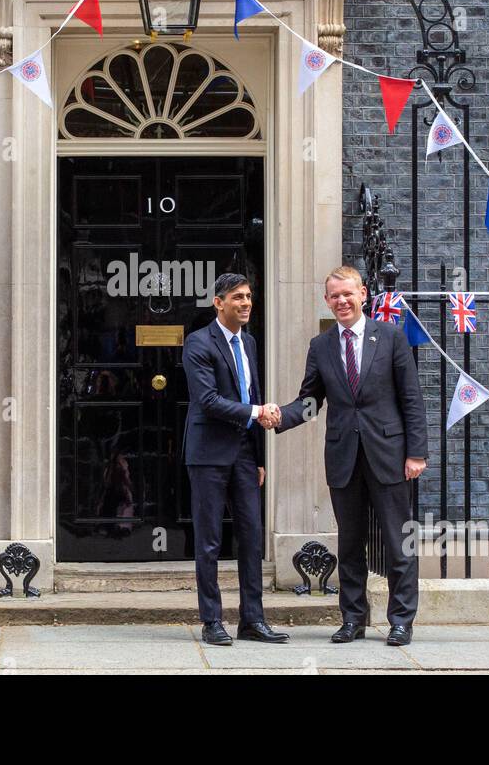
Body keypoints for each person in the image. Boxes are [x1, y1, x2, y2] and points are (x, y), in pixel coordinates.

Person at [273, 265, 428, 645]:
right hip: (344, 458)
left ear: (363, 294)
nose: (341, 301)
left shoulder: (390, 337)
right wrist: (279, 416)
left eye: (348, 293)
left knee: (398, 541)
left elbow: (412, 399)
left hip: (389, 455)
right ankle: (353, 619)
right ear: (326, 300)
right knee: (350, 542)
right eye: (334, 296)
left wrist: (416, 453)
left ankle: (401, 621)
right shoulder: (321, 345)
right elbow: (311, 400)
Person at [181, 273, 289, 646]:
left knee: (251, 538)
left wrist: (259, 457)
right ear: (219, 302)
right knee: (209, 541)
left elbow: (251, 389)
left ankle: (252, 620)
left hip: (244, 453)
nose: (246, 303)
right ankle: (212, 621)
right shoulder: (198, 343)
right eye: (238, 298)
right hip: (209, 454)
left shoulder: (250, 343)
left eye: (248, 297)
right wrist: (258, 411)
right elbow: (208, 400)